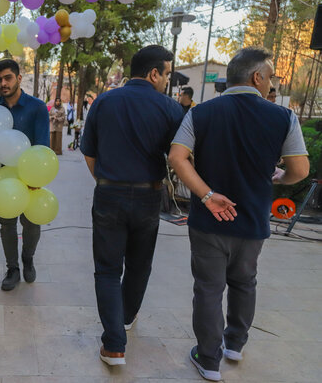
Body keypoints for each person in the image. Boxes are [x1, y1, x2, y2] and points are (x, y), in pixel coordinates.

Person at [169, 47, 309, 382]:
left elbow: (177, 157)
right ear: (257, 77)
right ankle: (234, 344)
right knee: (245, 282)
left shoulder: (201, 113)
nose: (270, 83)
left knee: (208, 288)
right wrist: (280, 177)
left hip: (208, 221)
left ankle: (209, 359)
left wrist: (207, 195)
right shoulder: (283, 117)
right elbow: (300, 170)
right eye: (270, 76)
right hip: (252, 220)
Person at [80, 45, 184, 366]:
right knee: (139, 264)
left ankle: (114, 345)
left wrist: (106, 181)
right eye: (166, 74)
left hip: (109, 193)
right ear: (154, 73)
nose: (167, 80)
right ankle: (124, 318)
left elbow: (89, 151)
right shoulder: (169, 108)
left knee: (108, 269)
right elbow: (180, 156)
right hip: (149, 197)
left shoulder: (104, 102)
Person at [0, 59, 50, 291]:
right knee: (7, 224)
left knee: (32, 223)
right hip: (2, 177)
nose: (3, 83)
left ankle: (28, 258)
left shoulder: (37, 107)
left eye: (8, 78)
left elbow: (43, 145)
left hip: (31, 176)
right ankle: (12, 268)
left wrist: (37, 179)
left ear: (19, 78)